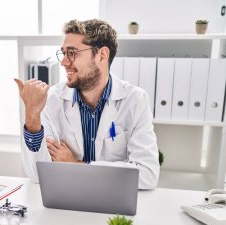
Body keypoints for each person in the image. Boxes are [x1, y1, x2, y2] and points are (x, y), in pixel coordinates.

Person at [14, 19, 159, 189]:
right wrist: (32, 114)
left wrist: (76, 165)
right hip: (67, 197)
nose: (64, 62)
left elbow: (147, 175)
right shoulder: (52, 99)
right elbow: (38, 175)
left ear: (102, 55)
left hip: (112, 203)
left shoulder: (135, 100)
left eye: (72, 53)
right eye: (63, 53)